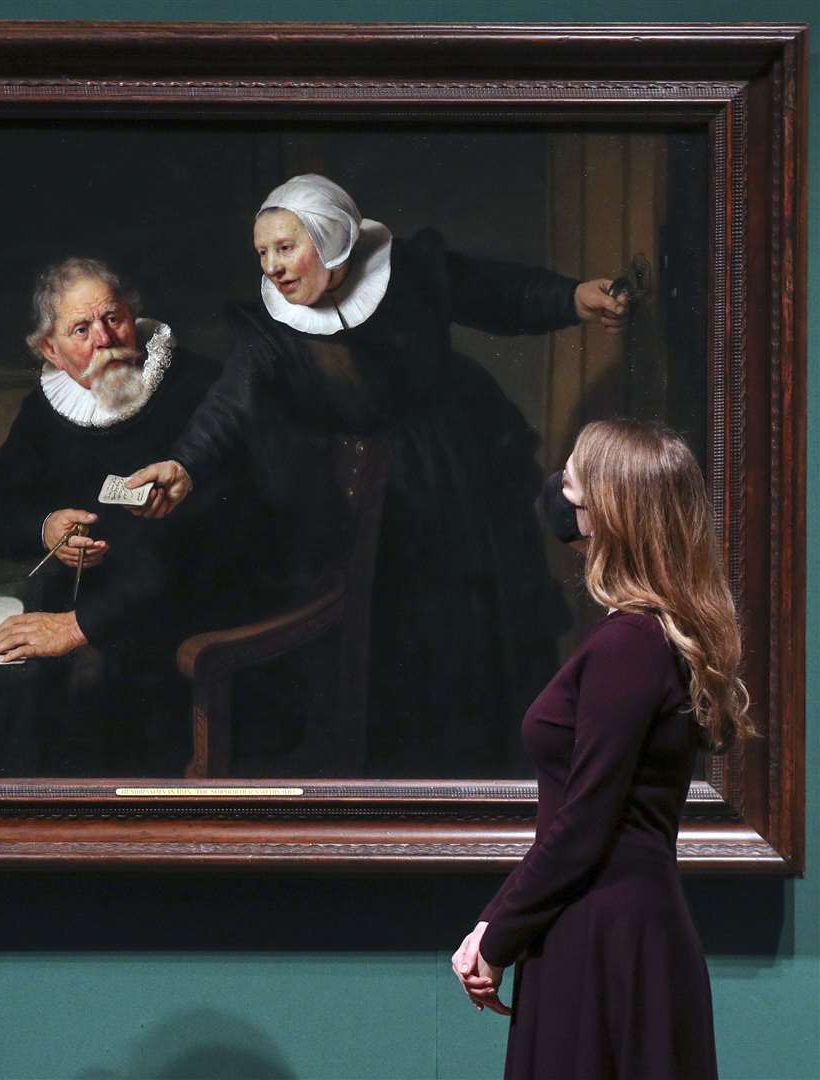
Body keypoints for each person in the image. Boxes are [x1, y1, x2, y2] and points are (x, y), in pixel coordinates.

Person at [127, 173, 629, 774]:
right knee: (399, 652)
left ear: (331, 236)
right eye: (262, 254)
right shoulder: (271, 331)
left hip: (462, 476)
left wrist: (574, 297)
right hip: (373, 507)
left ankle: (496, 775)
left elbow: (497, 293)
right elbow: (228, 407)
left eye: (285, 248)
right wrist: (183, 463)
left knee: (483, 630)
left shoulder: (410, 270)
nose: (274, 267)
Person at [451, 420, 752, 1079]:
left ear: (610, 512)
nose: (559, 491)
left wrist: (495, 936)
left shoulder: (631, 645)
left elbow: (586, 821)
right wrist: (504, 925)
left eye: (573, 479)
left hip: (605, 941)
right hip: (607, 930)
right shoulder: (638, 638)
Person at [0, 257, 259, 770]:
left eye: (112, 318)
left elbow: (215, 540)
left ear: (133, 315)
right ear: (51, 350)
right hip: (89, 610)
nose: (104, 339)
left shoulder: (199, 387)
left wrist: (84, 626)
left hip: (185, 614)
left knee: (90, 687)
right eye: (80, 330)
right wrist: (47, 528)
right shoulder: (47, 410)